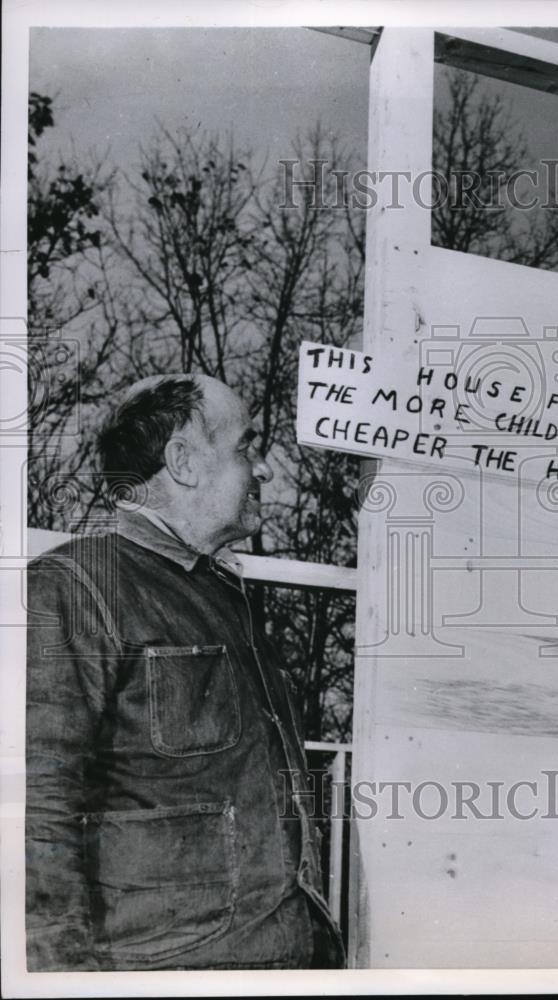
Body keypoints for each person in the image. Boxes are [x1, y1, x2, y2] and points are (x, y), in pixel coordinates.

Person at [25, 373, 345, 971]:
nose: (264, 469)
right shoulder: (70, 587)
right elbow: (31, 814)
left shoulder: (225, 597)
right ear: (183, 462)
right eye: (246, 447)